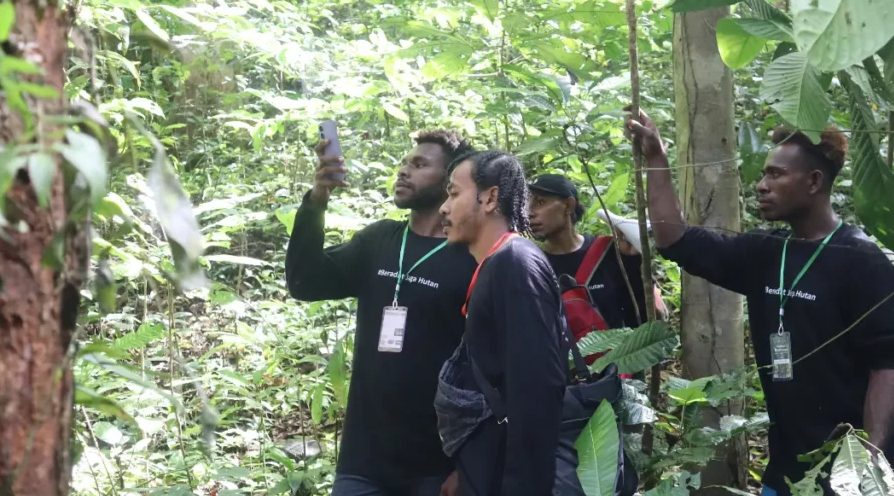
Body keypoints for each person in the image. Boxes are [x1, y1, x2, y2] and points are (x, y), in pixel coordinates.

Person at [626, 109, 894, 496]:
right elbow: (675, 240)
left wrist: (870, 455)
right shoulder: (766, 252)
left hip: (849, 472)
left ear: (814, 181)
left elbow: (885, 366)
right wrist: (656, 158)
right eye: (765, 173)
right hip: (786, 468)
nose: (761, 185)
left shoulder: (860, 259)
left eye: (776, 174)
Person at [286, 130, 477, 496]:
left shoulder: (469, 257)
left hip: (436, 464)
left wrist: (466, 465)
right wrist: (318, 198)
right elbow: (304, 282)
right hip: (364, 462)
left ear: (451, 181)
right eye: (405, 162)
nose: (404, 171)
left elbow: (486, 366)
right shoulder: (379, 241)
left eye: (420, 165)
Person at [434, 151, 566, 496]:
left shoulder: (515, 263)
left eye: (453, 193)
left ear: (490, 198)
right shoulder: (498, 263)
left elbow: (537, 389)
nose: (444, 208)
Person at [528, 174, 668, 366]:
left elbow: (643, 322)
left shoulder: (609, 253)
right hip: (560, 383)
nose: (529, 212)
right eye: (527, 203)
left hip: (615, 378)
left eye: (540, 202)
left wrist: (634, 262)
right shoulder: (531, 264)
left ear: (568, 206)